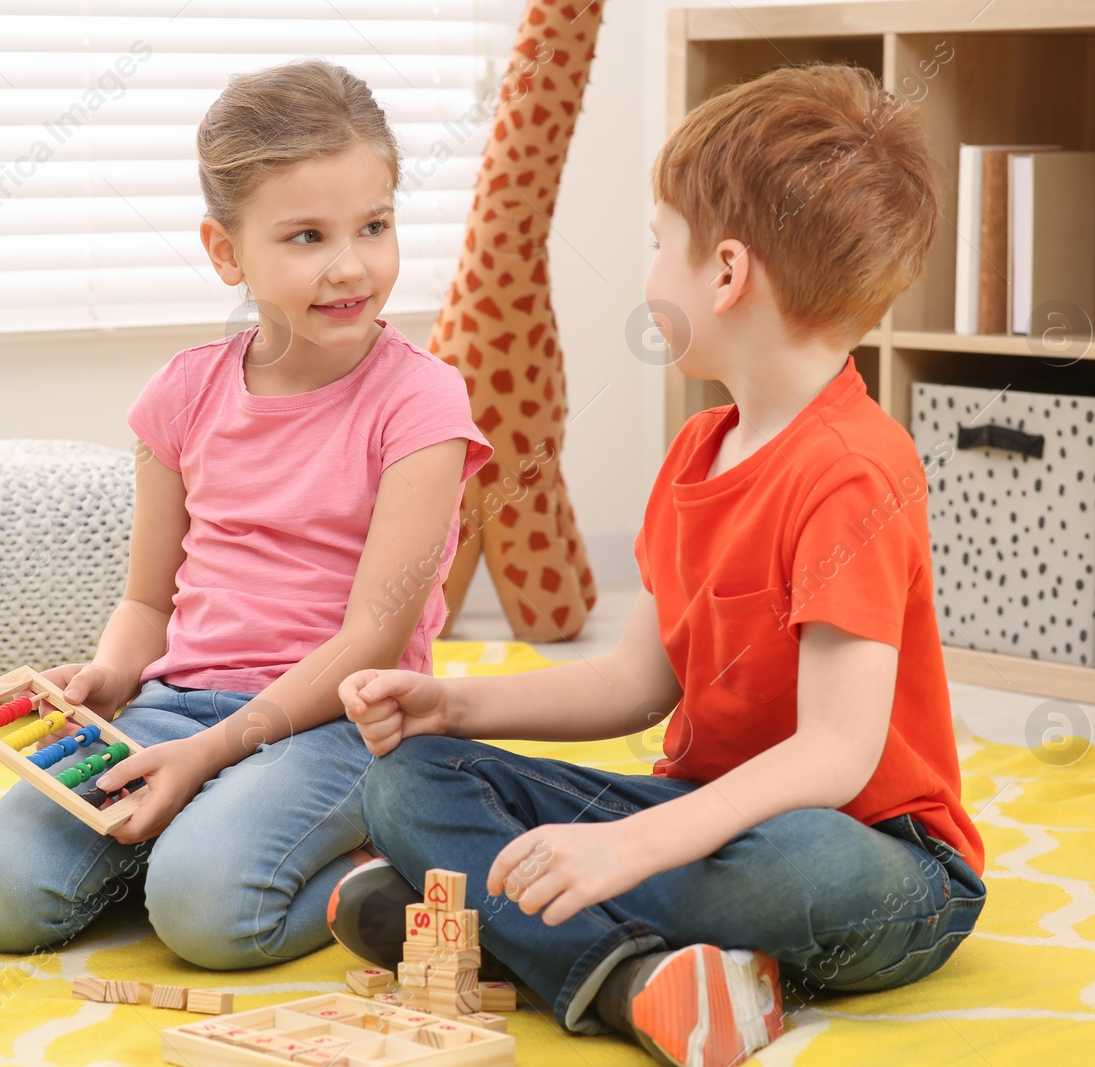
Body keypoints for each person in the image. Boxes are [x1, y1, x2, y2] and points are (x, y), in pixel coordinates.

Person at [330, 63, 987, 1066]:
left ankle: (494, 920)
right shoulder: (694, 451)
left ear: (723, 273)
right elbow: (639, 683)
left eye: (656, 245)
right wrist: (452, 705)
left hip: (877, 858)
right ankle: (631, 976)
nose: (649, 272)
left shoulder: (856, 468)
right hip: (699, 815)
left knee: (792, 861)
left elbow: (836, 755)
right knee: (406, 780)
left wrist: (630, 845)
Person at [0, 58, 492, 970]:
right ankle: (192, 840)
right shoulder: (183, 395)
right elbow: (149, 604)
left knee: (204, 917)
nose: (351, 264)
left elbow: (370, 640)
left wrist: (207, 759)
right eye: (307, 236)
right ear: (225, 251)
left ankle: (373, 860)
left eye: (376, 225)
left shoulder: (422, 406)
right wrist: (113, 674)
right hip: (179, 708)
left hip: (339, 725)